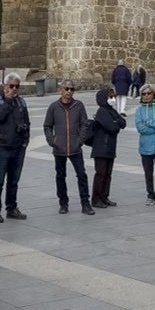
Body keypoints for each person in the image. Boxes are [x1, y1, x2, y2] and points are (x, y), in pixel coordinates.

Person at [44, 79, 92, 214]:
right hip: (59, 148)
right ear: (61, 90)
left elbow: (85, 124)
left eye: (72, 89)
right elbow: (47, 125)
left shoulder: (79, 105)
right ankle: (63, 203)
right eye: (67, 89)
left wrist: (80, 140)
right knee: (60, 176)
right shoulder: (53, 106)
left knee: (81, 174)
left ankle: (85, 203)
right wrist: (51, 140)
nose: (69, 91)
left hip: (75, 147)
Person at [0, 73, 30, 222]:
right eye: (11, 86)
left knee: (14, 181)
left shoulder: (21, 102)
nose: (14, 89)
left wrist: (25, 142)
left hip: (18, 147)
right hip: (2, 147)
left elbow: (27, 122)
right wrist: (8, 101)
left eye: (17, 86)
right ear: (5, 86)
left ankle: (11, 208)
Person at [90, 86, 126, 208]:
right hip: (101, 148)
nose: (113, 99)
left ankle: (104, 197)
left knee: (108, 174)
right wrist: (116, 122)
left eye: (113, 96)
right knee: (101, 173)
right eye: (110, 97)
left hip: (110, 148)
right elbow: (113, 128)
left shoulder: (111, 110)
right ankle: (96, 199)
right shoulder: (102, 112)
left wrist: (116, 122)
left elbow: (123, 123)